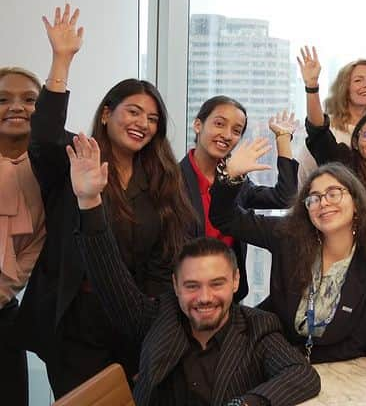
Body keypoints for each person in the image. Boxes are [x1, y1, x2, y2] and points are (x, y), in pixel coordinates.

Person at [21, 5, 197, 396]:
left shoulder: (161, 180)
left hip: (133, 319)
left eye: (152, 119)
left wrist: (154, 325)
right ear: (106, 114)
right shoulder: (77, 155)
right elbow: (44, 135)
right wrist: (61, 60)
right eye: (133, 111)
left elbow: (166, 251)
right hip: (74, 322)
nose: (142, 124)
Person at [69, 133, 320, 406]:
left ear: (236, 281)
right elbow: (108, 275)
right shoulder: (157, 317)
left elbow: (301, 374)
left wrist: (246, 404)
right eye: (192, 286)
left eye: (217, 283)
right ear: (175, 285)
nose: (204, 297)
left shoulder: (257, 328)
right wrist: (89, 201)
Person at [209, 156, 366, 362]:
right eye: (314, 198)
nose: (324, 203)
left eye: (333, 193)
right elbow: (225, 219)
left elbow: (356, 344)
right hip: (270, 358)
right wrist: (229, 178)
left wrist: (299, 360)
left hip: (338, 372)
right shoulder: (289, 236)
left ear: (356, 203)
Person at [181, 98, 299, 301]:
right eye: (219, 124)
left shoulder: (239, 183)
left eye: (236, 131)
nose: (227, 135)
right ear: (198, 125)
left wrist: (282, 139)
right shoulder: (171, 180)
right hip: (185, 294)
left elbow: (285, 197)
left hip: (229, 294)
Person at [300, 55, 366, 228]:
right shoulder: (342, 158)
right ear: (356, 141)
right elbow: (318, 133)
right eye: (359, 80)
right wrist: (312, 87)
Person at [0, 67, 46, 406]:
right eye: (3, 99)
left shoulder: (53, 168)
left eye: (30, 100)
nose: (17, 107)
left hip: (4, 309)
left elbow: (40, 241)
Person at [295, 46, 366, 182]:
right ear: (345, 89)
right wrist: (312, 86)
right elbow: (317, 130)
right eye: (358, 80)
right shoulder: (329, 127)